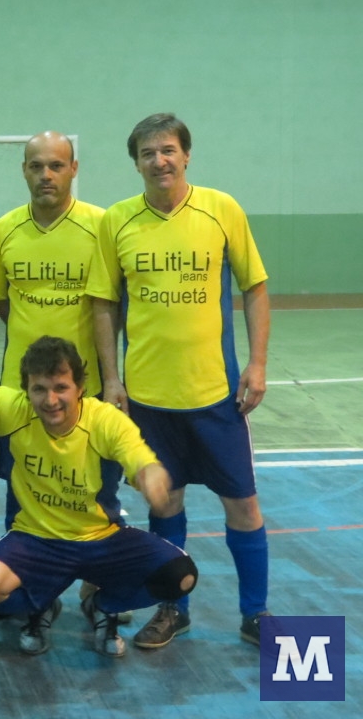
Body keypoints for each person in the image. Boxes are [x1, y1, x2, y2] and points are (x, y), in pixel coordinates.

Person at [87, 112, 272, 648]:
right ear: (136, 162)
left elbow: (255, 287)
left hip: (216, 395)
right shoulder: (117, 221)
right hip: (148, 399)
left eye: (168, 150)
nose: (159, 160)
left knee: (243, 505)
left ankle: (256, 612)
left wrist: (257, 365)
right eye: (148, 153)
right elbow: (104, 305)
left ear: (186, 155)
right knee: (164, 505)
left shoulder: (221, 210)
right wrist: (112, 380)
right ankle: (174, 608)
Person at [0, 336, 197, 657]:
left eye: (60, 387)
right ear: (26, 390)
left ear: (80, 387)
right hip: (36, 539)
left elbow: (134, 450)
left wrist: (148, 471)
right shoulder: (14, 410)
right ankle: (41, 604)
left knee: (179, 576)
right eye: (39, 389)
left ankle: (102, 605)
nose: (50, 399)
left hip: (101, 538)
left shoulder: (102, 419)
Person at [0, 131, 112, 650]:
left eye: (56, 165)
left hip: (87, 397)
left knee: (97, 503)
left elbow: (110, 306)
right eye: (36, 166)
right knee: (21, 502)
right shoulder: (3, 231)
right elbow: (0, 302)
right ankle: (36, 598)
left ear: (73, 168)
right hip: (23, 399)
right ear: (24, 170)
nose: (46, 175)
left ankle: (97, 598)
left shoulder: (100, 227)